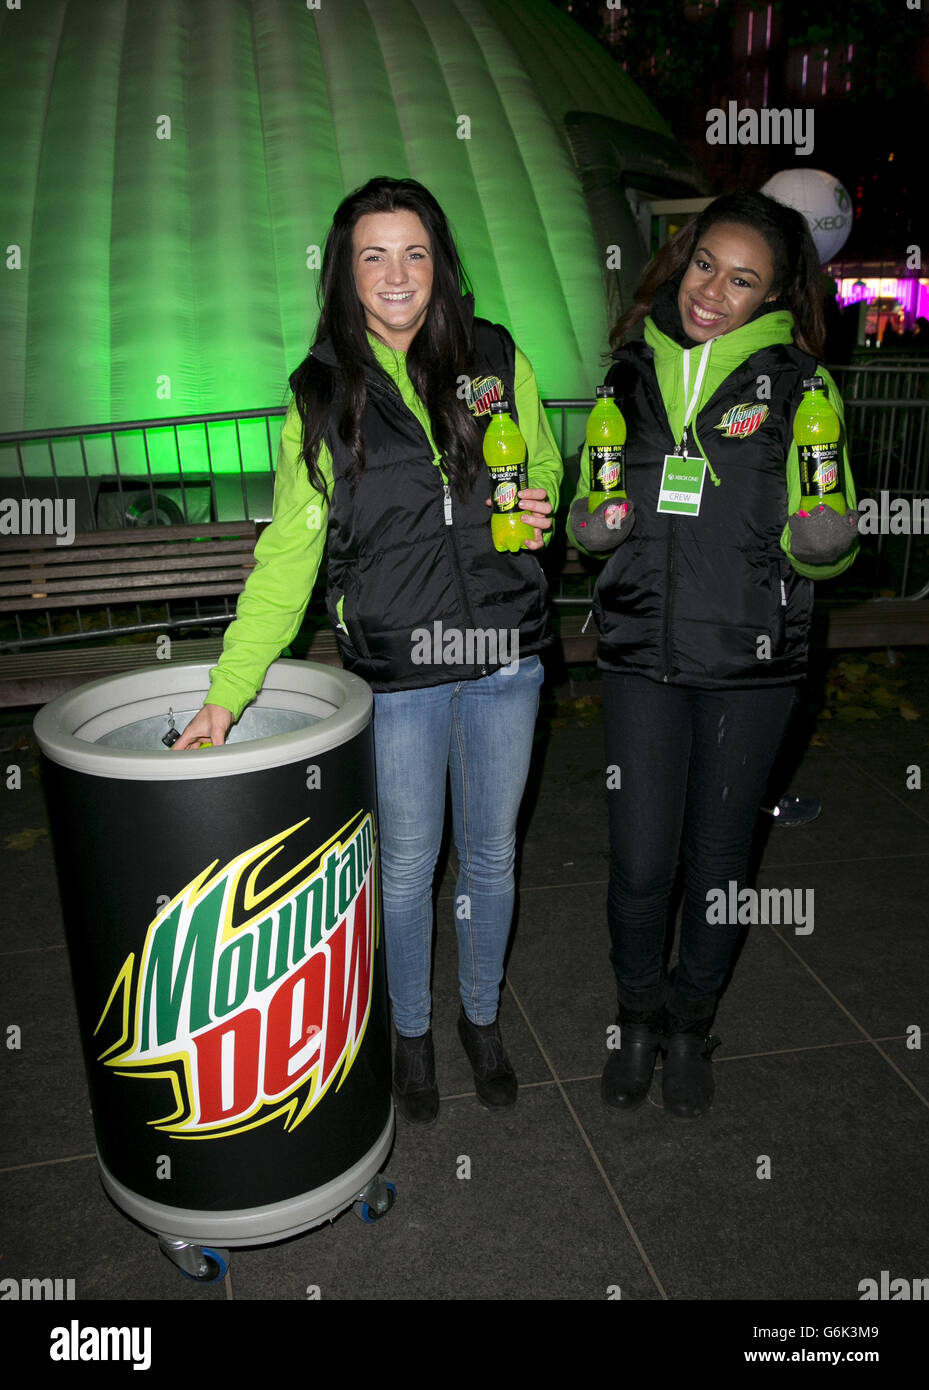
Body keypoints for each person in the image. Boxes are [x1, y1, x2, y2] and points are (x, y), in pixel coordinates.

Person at [174, 177, 562, 1125]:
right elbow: (287, 557)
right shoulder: (322, 392)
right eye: (373, 255)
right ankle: (413, 1031)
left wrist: (545, 505)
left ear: (441, 263)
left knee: (492, 860)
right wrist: (228, 692)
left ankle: (480, 1018)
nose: (397, 275)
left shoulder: (495, 356)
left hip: (506, 651)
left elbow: (541, 465)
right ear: (346, 274)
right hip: (399, 668)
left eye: (415, 252)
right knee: (404, 866)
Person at [567, 191, 859, 1121]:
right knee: (641, 860)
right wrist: (590, 525)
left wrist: (825, 539)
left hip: (752, 663)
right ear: (681, 260)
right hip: (639, 655)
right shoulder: (624, 378)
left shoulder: (801, 388)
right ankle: (637, 1018)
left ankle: (692, 1024)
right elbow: (591, 500)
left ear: (772, 296)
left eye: (743, 281)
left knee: (719, 862)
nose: (712, 293)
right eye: (705, 267)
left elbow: (833, 526)